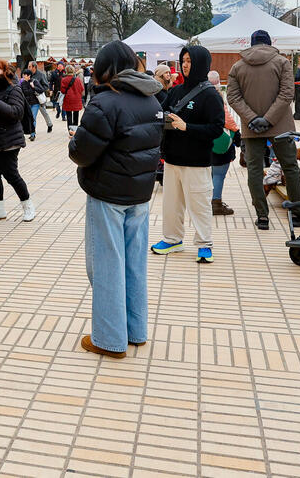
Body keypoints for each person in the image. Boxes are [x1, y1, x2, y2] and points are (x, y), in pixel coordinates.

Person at [70, 40, 164, 359]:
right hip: (140, 193)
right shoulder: (152, 99)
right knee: (134, 263)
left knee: (107, 264)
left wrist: (74, 145)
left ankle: (109, 338)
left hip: (107, 193)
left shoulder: (106, 102)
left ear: (103, 68)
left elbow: (82, 152)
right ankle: (135, 330)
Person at [226, 29, 300, 230]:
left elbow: (233, 97)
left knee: (255, 170)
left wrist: (253, 118)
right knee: (290, 167)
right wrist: (269, 119)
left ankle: (262, 216)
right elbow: (287, 94)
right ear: (269, 43)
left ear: (251, 44)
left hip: (251, 128)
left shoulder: (237, 67)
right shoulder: (282, 63)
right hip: (280, 125)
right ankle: (298, 213)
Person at [150, 47, 225, 264]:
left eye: (190, 61)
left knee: (199, 204)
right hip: (172, 159)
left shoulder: (211, 95)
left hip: (197, 162)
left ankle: (204, 244)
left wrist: (187, 127)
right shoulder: (175, 91)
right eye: (183, 60)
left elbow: (216, 128)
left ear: (201, 63)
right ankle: (173, 239)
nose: (185, 65)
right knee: (171, 205)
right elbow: (160, 112)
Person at [0, 59, 35, 222]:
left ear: (5, 73)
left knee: (11, 175)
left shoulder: (13, 89)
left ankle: (28, 206)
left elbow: (17, 112)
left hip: (9, 140)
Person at [208, 70, 239, 216]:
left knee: (211, 174)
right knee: (219, 174)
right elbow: (228, 121)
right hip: (220, 143)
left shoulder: (200, 96)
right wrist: (237, 133)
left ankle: (208, 201)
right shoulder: (217, 98)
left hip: (206, 142)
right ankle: (216, 203)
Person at [27, 61, 54, 133]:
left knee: (44, 112)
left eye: (29, 66)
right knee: (32, 116)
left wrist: (38, 89)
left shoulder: (41, 75)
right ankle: (32, 131)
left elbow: (46, 86)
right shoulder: (28, 75)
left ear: (34, 67)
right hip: (31, 99)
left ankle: (49, 124)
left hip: (39, 98)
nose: (28, 68)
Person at [60, 65, 85, 134]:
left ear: (66, 71)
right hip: (76, 99)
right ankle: (75, 130)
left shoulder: (64, 79)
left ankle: (70, 131)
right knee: (76, 114)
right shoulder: (77, 79)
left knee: (69, 115)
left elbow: (62, 90)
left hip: (68, 99)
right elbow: (81, 89)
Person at [20, 69, 42, 141]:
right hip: (27, 104)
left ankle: (32, 134)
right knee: (27, 119)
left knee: (33, 118)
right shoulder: (22, 83)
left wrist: (33, 87)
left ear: (29, 76)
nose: (23, 76)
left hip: (35, 103)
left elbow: (41, 89)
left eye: (25, 75)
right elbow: (23, 93)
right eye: (23, 75)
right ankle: (27, 132)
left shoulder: (34, 82)